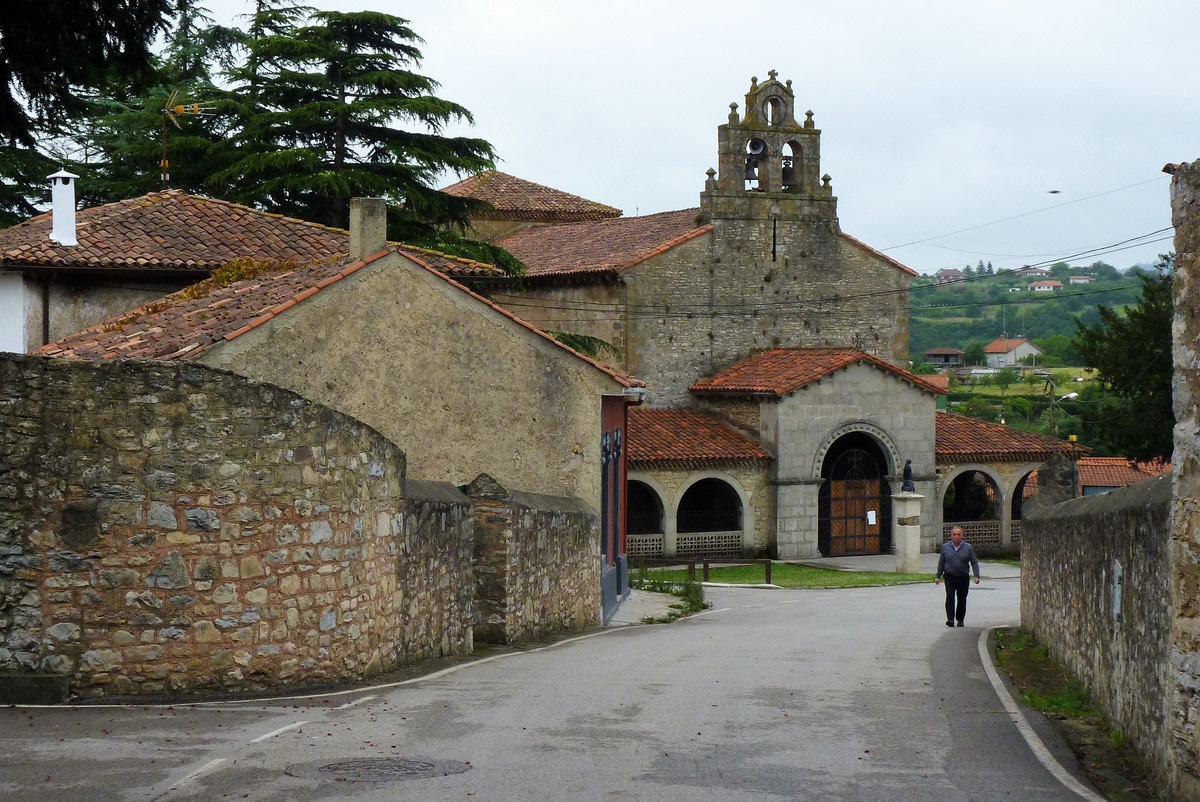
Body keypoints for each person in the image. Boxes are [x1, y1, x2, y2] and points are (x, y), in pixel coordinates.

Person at [935, 526, 980, 627]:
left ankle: (960, 619)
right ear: (951, 536)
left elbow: (974, 562)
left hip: (963, 576)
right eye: (954, 534)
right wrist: (938, 576)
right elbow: (941, 562)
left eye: (958, 534)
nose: (956, 536)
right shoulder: (945, 547)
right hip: (949, 576)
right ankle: (950, 619)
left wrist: (976, 575)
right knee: (950, 597)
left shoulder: (968, 547)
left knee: (962, 598)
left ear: (962, 536)